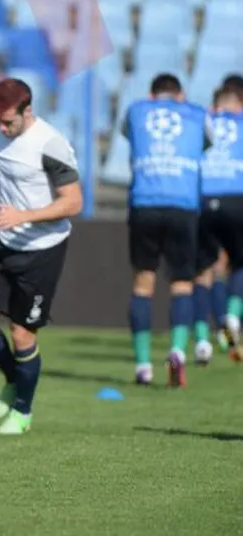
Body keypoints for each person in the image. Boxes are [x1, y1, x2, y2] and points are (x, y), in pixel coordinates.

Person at [0, 79, 82, 435]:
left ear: (28, 110)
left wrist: (23, 216)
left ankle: (22, 410)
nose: (2, 129)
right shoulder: (0, 134)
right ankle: (14, 378)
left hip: (42, 250)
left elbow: (73, 202)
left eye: (8, 122)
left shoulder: (51, 144)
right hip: (4, 244)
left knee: (21, 334)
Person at [122, 73, 209, 387]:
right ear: (181, 95)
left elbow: (128, 136)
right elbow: (206, 144)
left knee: (143, 283)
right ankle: (179, 351)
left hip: (144, 204)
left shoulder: (136, 110)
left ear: (151, 94)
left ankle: (143, 365)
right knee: (183, 283)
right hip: (183, 206)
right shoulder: (197, 113)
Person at [194, 87, 243, 362]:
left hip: (204, 199)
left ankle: (203, 342)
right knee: (239, 263)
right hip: (237, 198)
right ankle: (232, 318)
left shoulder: (201, 120)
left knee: (203, 272)